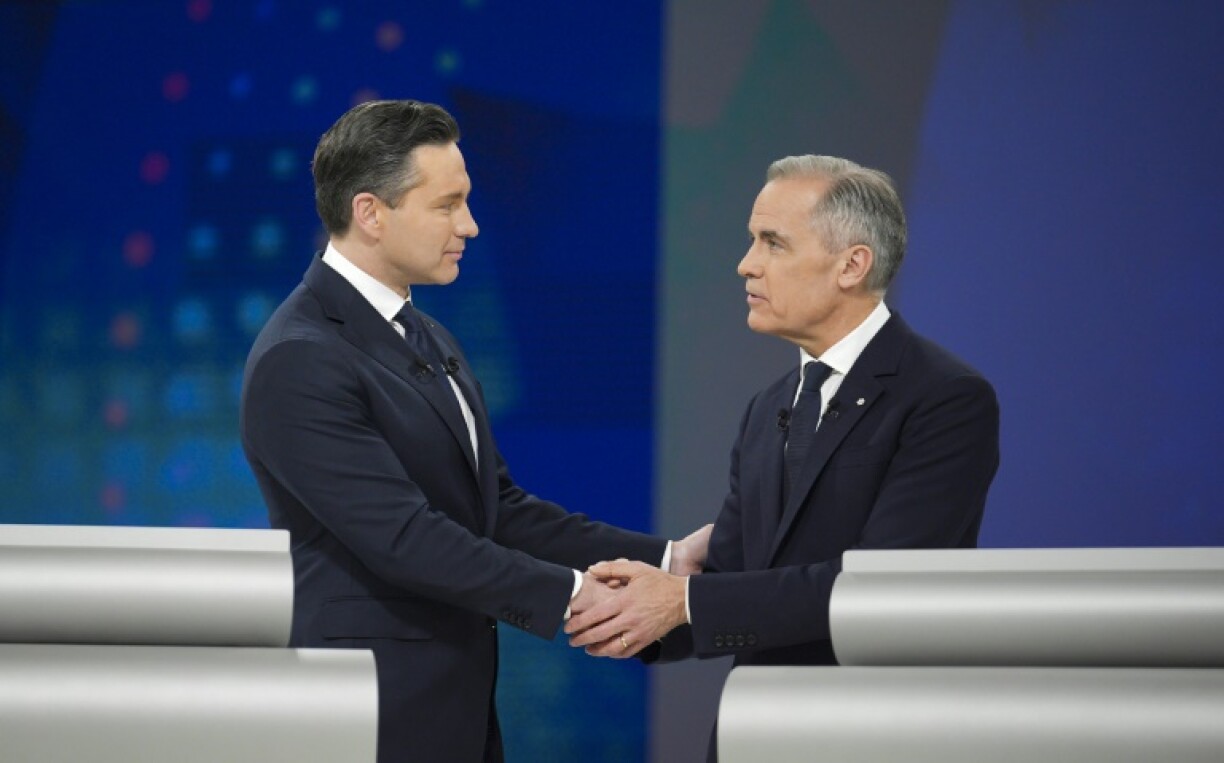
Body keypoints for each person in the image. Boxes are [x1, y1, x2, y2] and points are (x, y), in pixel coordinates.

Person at [239, 99, 710, 763]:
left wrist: (666, 559)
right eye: (447, 204)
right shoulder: (302, 355)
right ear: (371, 213)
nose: (471, 224)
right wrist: (581, 597)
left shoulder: (429, 335)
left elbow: (497, 509)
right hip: (369, 710)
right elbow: (405, 538)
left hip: (456, 703)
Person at [567, 155, 1000, 753]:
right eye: (752, 241)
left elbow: (884, 585)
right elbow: (736, 579)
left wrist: (683, 602)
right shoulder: (769, 407)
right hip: (757, 731)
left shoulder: (944, 398)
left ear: (852, 265)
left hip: (874, 734)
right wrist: (625, 613)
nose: (746, 264)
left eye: (773, 243)